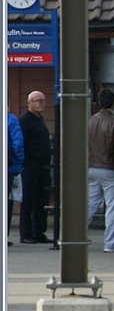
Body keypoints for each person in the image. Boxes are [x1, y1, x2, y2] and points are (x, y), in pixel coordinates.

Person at [86, 88, 114, 253]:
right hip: (109, 170)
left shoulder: (90, 121)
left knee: (90, 204)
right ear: (113, 103)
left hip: (91, 167)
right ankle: (110, 243)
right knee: (113, 206)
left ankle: (75, 238)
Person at [19, 90, 52, 244]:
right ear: (29, 103)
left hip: (43, 166)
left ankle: (39, 232)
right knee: (28, 200)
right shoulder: (25, 121)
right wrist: (24, 164)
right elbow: (20, 143)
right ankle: (26, 234)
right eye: (37, 100)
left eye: (43, 100)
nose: (41, 103)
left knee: (41, 200)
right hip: (30, 166)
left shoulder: (40, 120)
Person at [7, 108, 24, 247]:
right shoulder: (11, 120)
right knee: (7, 203)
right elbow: (17, 142)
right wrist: (19, 162)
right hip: (8, 166)